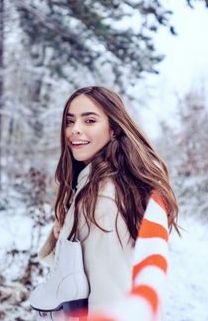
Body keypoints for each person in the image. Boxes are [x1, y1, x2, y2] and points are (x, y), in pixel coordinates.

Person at [37, 86, 179, 320]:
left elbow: (112, 295)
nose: (75, 130)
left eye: (90, 120)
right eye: (69, 121)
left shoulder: (103, 198)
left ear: (113, 130)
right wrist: (62, 234)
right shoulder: (97, 185)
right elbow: (79, 273)